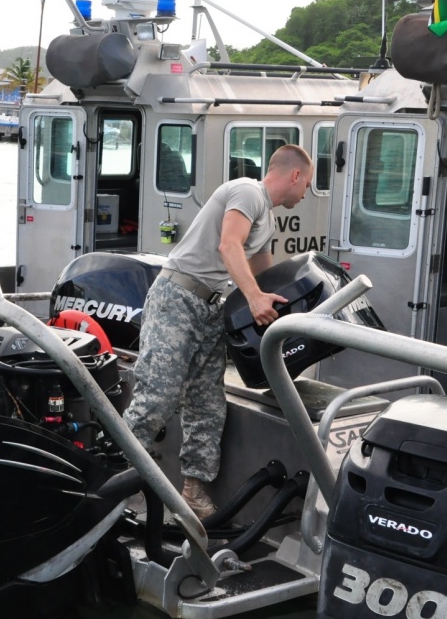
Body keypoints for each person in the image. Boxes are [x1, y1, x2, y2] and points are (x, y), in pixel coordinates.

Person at [122, 144, 314, 519]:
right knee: (157, 396)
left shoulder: (268, 221)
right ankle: (121, 484)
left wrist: (282, 317)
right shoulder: (248, 191)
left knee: (207, 407)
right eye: (307, 184)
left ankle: (192, 491)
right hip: (178, 297)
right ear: (295, 176)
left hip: (212, 309)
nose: (306, 193)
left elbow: (262, 276)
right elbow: (229, 245)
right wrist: (255, 296)